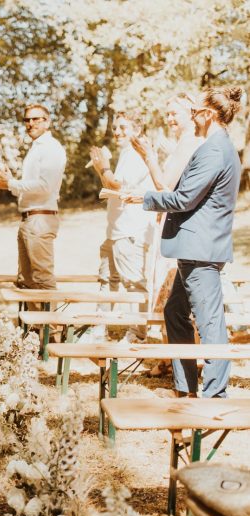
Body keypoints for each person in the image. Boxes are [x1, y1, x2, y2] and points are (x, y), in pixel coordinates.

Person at [124, 86, 243, 398]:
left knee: (210, 323)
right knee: (175, 312)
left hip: (201, 249)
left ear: (207, 114)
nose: (191, 116)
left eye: (194, 111)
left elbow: (185, 197)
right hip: (193, 248)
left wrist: (144, 197)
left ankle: (215, 394)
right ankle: (184, 386)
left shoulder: (215, 149)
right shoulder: (212, 146)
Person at [131, 93, 203, 375]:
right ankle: (169, 359)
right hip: (168, 221)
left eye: (175, 113)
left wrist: (148, 156)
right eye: (168, 114)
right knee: (164, 293)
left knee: (175, 297)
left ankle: (185, 362)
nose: (170, 118)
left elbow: (165, 187)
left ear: (192, 113)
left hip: (178, 225)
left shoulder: (191, 142)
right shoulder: (182, 143)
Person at [88, 112, 155, 343]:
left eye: (123, 127)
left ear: (137, 129)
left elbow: (117, 184)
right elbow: (112, 187)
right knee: (106, 280)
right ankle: (98, 330)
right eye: (115, 127)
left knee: (133, 283)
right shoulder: (126, 153)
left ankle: (138, 333)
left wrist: (102, 167)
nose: (117, 131)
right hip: (114, 230)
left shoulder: (138, 153)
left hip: (131, 231)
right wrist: (101, 168)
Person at [0, 103, 66, 290]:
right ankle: (34, 320)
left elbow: (45, 186)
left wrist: (11, 182)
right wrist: (7, 182)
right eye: (27, 120)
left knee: (42, 280)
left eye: (36, 119)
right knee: (26, 281)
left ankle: (50, 320)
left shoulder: (51, 147)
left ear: (47, 122)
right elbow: (26, 188)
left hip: (41, 219)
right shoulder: (35, 149)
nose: (30, 123)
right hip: (28, 219)